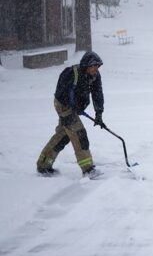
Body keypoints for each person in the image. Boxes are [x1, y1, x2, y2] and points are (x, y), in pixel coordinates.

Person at [36, 51, 106, 179]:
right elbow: (61, 92)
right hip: (63, 106)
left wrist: (99, 114)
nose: (96, 69)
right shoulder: (71, 73)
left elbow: (97, 94)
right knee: (79, 135)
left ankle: (44, 164)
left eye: (97, 66)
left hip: (74, 107)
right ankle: (88, 169)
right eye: (93, 66)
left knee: (63, 136)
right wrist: (72, 106)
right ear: (86, 65)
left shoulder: (95, 76)